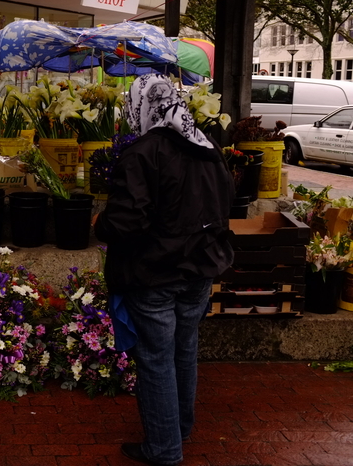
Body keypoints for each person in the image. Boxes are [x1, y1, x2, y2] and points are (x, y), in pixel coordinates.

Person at [92, 74, 234, 466]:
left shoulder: (143, 152)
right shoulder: (207, 147)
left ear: (140, 107)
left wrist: (99, 225)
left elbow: (127, 219)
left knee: (155, 357)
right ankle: (179, 428)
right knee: (184, 350)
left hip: (154, 272)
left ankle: (164, 448)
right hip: (200, 269)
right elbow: (226, 202)